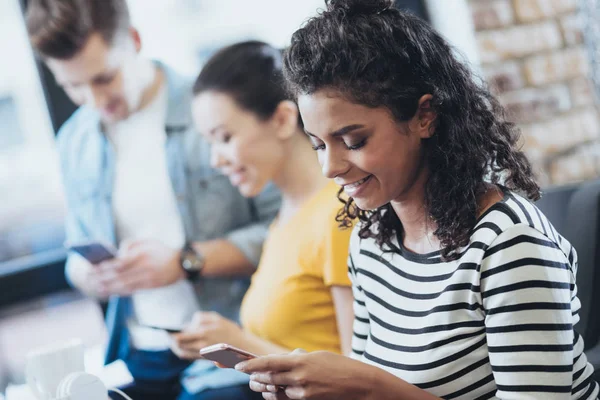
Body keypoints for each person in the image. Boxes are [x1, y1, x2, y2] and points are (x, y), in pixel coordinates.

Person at [237, 1, 600, 399]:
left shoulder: (508, 244)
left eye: (354, 141)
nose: (330, 168)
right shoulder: (371, 241)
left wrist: (369, 384)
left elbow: (374, 386)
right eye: (318, 145)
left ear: (424, 116)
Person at [25, 1, 280, 400]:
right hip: (139, 354)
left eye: (104, 78)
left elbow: (285, 232)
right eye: (72, 86)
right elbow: (76, 252)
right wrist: (88, 275)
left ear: (135, 40)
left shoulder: (213, 111)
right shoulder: (75, 141)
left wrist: (185, 262)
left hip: (233, 347)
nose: (94, 100)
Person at [168, 41, 355, 400]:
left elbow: (353, 379)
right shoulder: (285, 217)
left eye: (224, 137)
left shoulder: (338, 214)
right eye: (209, 142)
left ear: (283, 119)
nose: (215, 161)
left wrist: (240, 343)